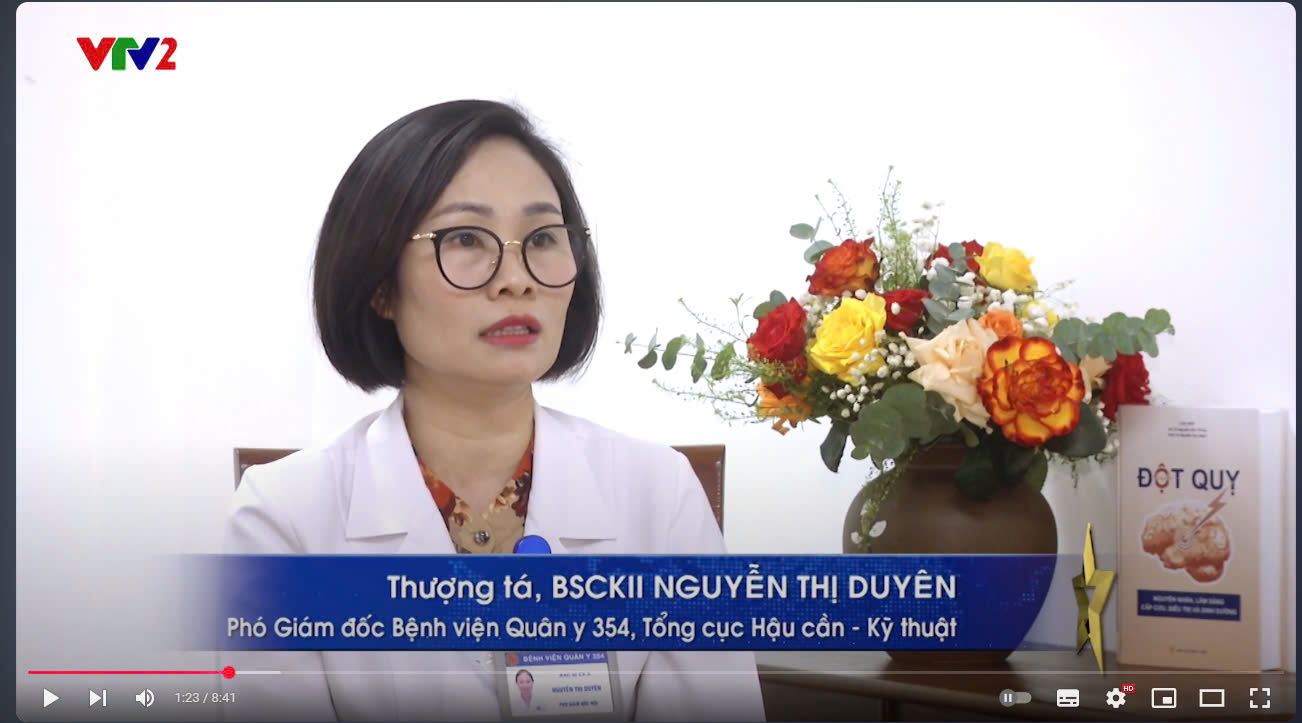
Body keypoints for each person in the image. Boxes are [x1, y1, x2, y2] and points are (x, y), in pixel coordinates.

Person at [221, 100, 766, 722]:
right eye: (465, 239)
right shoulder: (283, 518)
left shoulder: (658, 493)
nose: (516, 279)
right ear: (379, 284)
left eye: (542, 239)